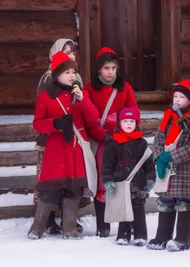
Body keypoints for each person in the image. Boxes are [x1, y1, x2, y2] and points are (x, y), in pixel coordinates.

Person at [28, 51, 106, 240]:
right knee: (49, 191)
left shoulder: (81, 94)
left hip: (76, 148)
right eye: (67, 72)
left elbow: (93, 118)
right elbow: (37, 123)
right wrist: (55, 124)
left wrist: (83, 100)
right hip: (56, 149)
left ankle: (70, 229)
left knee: (74, 190)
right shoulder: (46, 97)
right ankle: (37, 228)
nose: (72, 75)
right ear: (57, 74)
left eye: (74, 72)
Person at [83, 47, 138, 237]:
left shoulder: (126, 88)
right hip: (102, 143)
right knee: (102, 182)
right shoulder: (89, 90)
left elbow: (133, 115)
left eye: (113, 68)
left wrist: (124, 135)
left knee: (123, 181)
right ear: (99, 69)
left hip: (122, 143)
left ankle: (126, 225)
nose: (110, 72)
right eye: (106, 68)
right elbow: (89, 119)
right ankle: (103, 226)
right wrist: (104, 135)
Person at [34, 39, 86, 234]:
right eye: (65, 51)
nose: (70, 55)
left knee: (72, 183)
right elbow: (42, 113)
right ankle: (45, 222)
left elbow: (85, 113)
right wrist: (55, 124)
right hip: (51, 141)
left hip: (72, 141)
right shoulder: (48, 79)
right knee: (50, 183)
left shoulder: (76, 79)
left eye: (72, 52)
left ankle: (69, 222)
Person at [147, 80, 190, 252]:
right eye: (175, 96)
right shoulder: (168, 117)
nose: (177, 99)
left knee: (183, 202)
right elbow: (158, 140)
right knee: (165, 201)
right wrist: (158, 157)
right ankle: (163, 236)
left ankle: (182, 239)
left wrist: (169, 156)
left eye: (182, 97)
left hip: (185, 168)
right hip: (167, 168)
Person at [102, 107, 155, 246]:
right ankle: (123, 234)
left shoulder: (142, 143)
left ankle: (140, 235)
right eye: (125, 121)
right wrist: (108, 181)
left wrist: (150, 179)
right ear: (119, 123)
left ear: (136, 123)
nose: (129, 124)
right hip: (120, 182)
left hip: (139, 182)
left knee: (138, 208)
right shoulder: (113, 144)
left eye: (132, 121)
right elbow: (107, 165)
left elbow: (149, 164)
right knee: (123, 208)